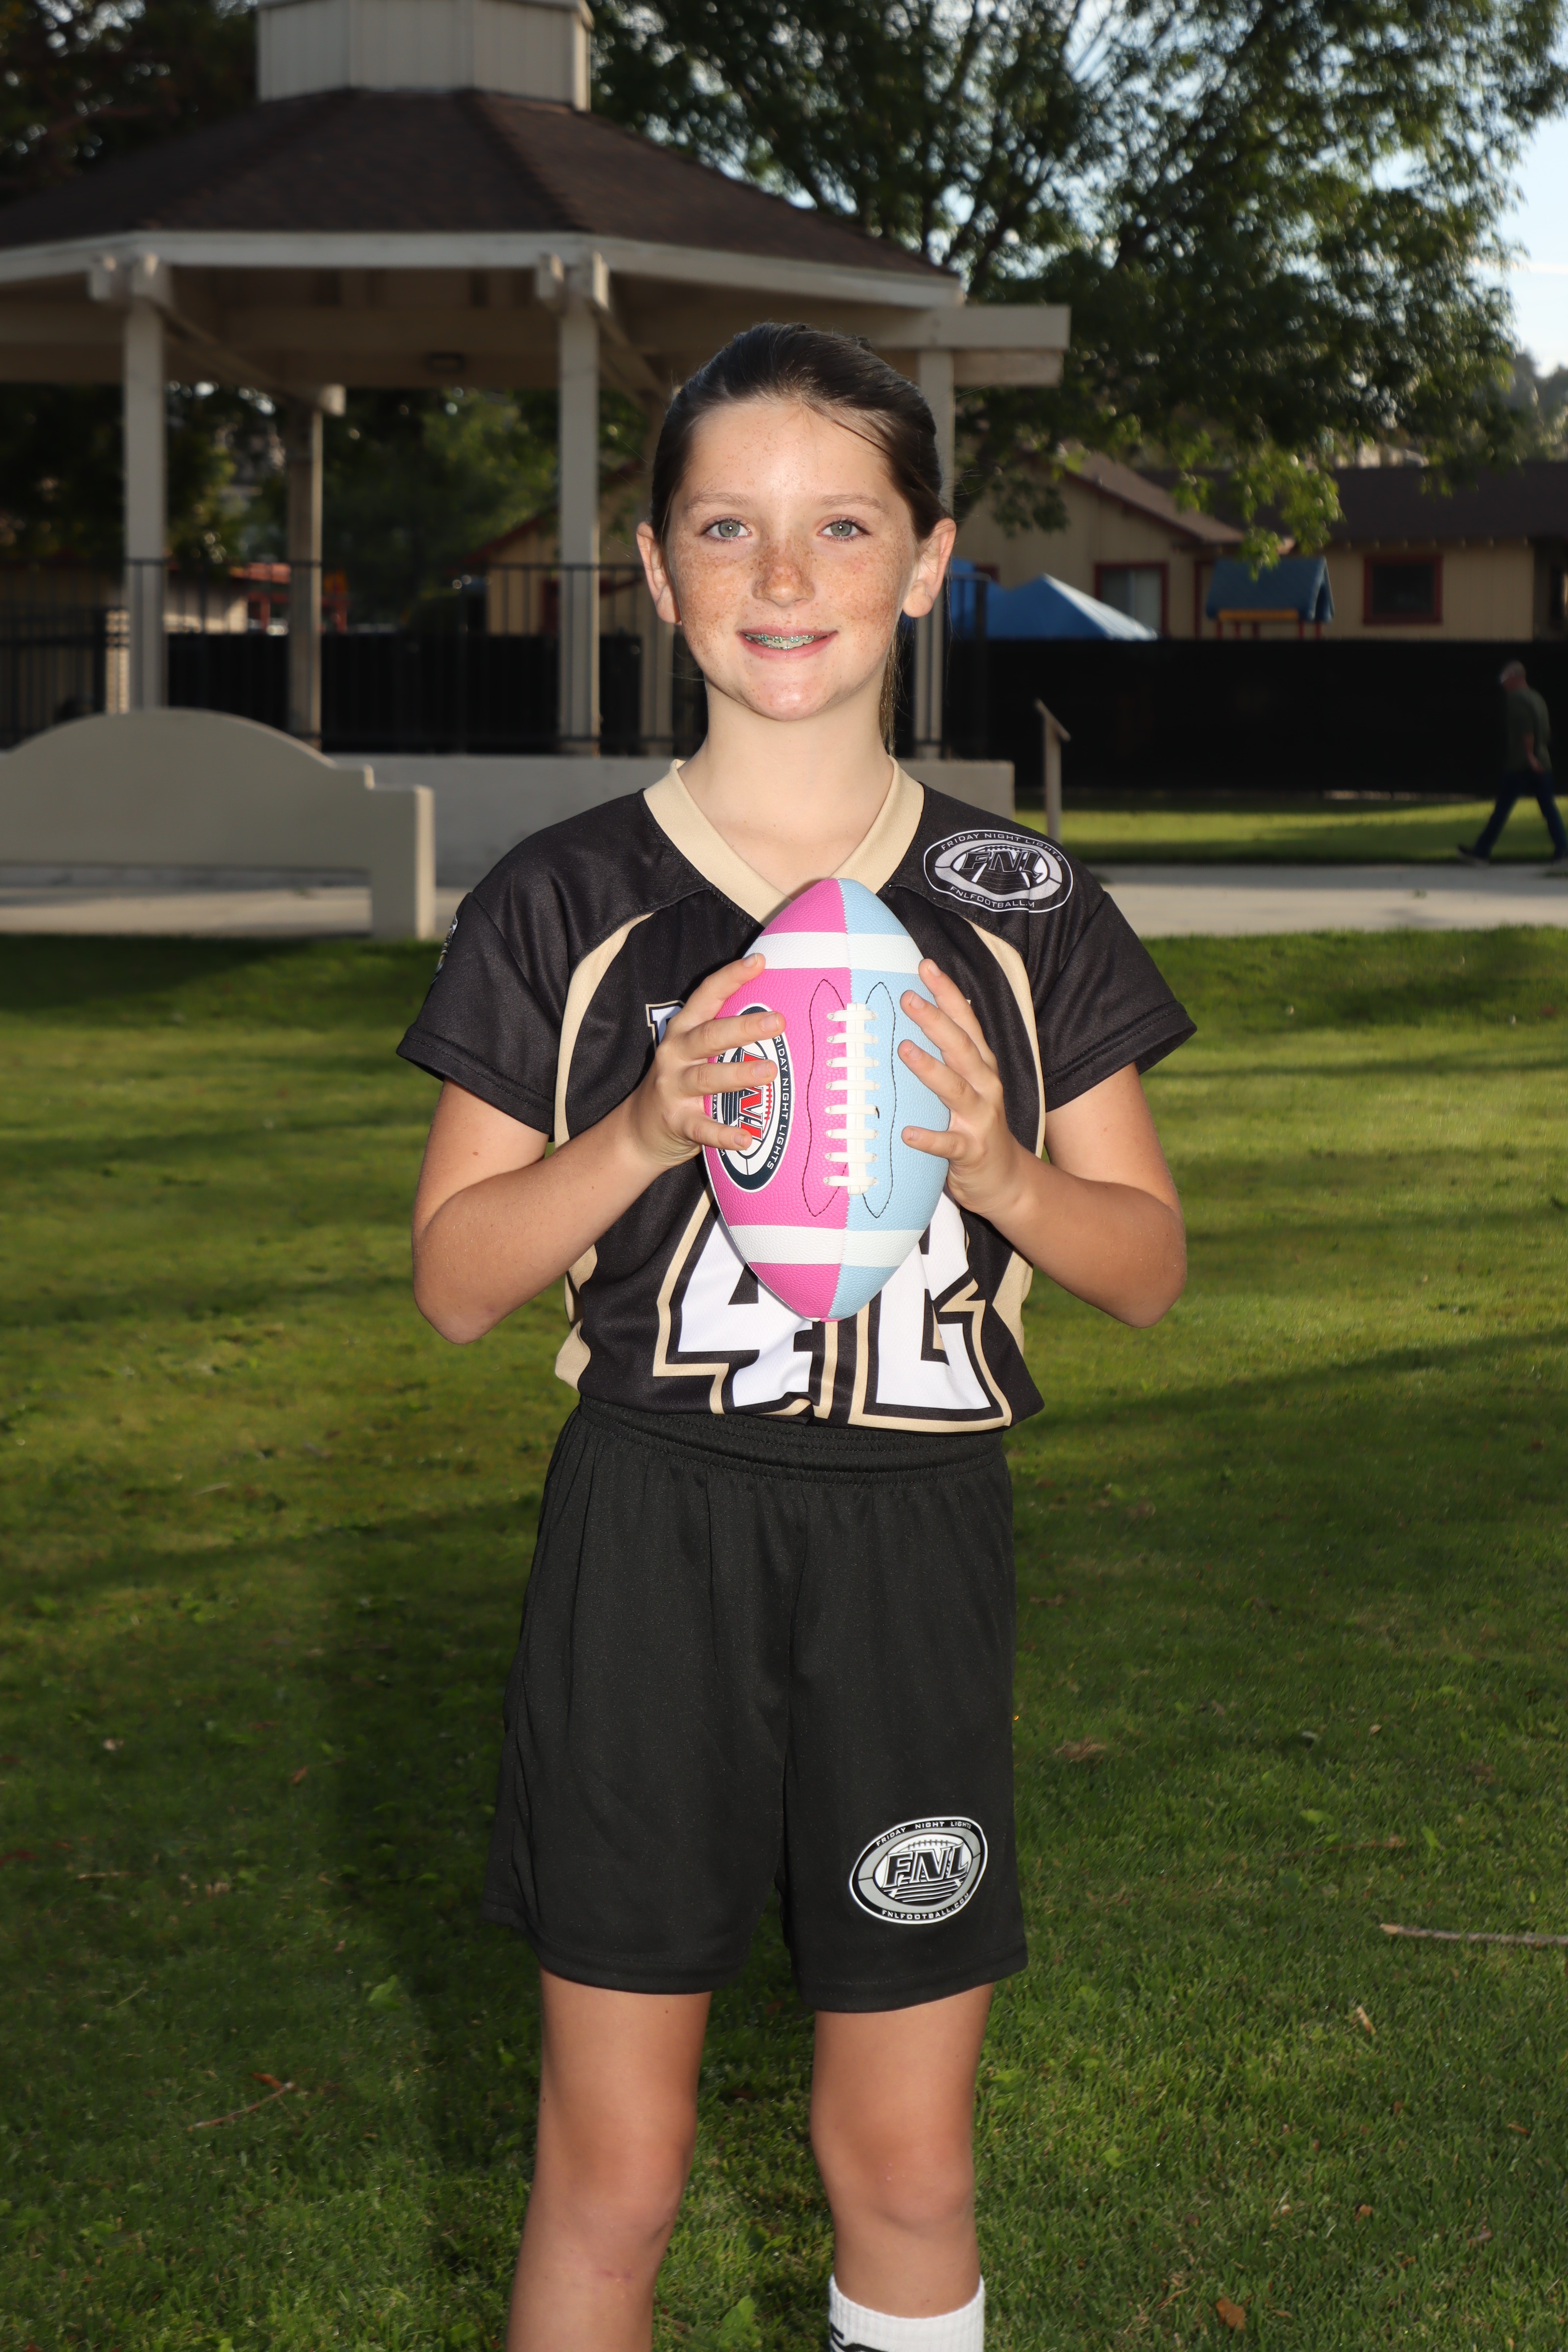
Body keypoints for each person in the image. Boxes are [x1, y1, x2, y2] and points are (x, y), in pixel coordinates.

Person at [397, 323, 1193, 2352]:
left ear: (925, 564)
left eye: (840, 528)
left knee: (908, 2161)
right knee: (615, 2171)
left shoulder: (1018, 899)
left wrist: (1000, 1170)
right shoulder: (566, 896)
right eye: (724, 528)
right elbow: (457, 1280)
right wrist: (640, 1131)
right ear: (655, 571)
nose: (781, 577)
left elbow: (1146, 1266)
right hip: (648, 1538)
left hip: (916, 1540)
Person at [1458, 659, 1568, 869]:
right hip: (1542, 760)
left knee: (1502, 809)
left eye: (1504, 679)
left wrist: (1529, 756)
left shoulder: (1516, 699)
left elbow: (1526, 729)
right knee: (1549, 808)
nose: (1503, 684)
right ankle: (1563, 850)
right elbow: (1545, 729)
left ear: (1513, 678)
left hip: (1522, 763)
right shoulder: (1536, 697)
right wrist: (1537, 755)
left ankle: (1481, 853)